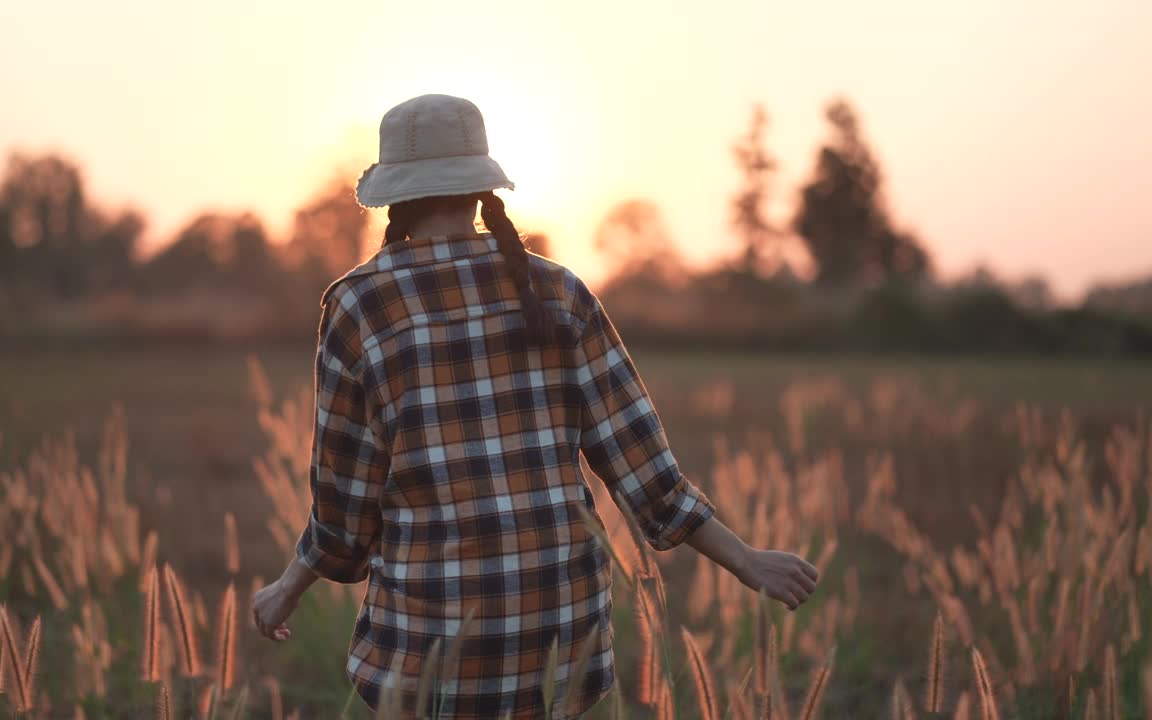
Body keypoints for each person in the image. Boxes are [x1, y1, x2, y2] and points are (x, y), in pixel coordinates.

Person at [251, 93, 819, 719]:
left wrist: (288, 586)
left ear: (394, 197)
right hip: (561, 631)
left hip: (431, 639)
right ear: (480, 190)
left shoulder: (360, 305)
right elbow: (646, 472)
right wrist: (746, 560)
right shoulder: (560, 291)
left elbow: (345, 505)